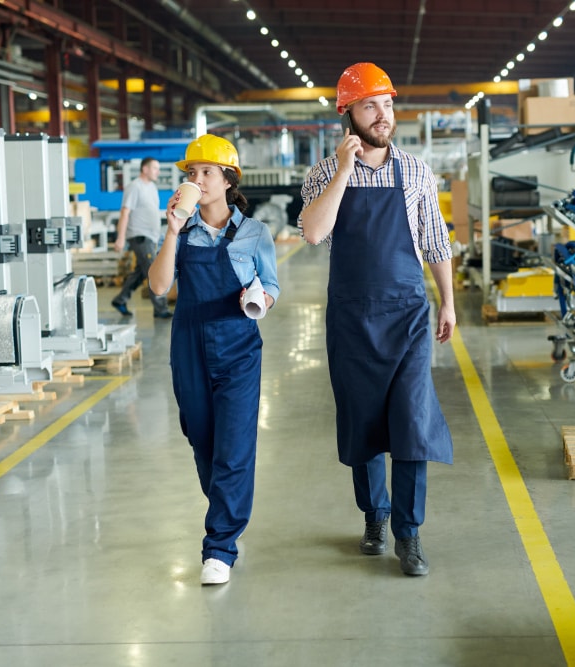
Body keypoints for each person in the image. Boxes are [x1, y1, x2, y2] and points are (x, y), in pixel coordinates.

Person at [298, 62, 455, 577]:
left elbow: (434, 241)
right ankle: (375, 516)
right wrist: (344, 170)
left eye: (386, 104)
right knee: (363, 424)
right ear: (349, 114)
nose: (382, 114)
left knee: (413, 423)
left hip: (408, 313)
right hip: (351, 316)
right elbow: (315, 233)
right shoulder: (322, 174)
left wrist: (448, 301)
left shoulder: (416, 172)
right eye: (370, 105)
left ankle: (409, 534)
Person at [148, 135, 280, 586]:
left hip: (239, 346)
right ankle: (228, 510)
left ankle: (219, 546)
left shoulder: (254, 233)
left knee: (235, 448)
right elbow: (160, 287)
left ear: (227, 180)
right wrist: (170, 229)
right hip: (188, 346)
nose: (197, 180)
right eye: (191, 173)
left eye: (206, 172)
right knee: (202, 440)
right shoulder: (180, 232)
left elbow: (272, 286)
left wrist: (261, 296)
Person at [112, 156, 173, 319]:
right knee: (155, 270)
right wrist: (120, 238)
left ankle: (120, 299)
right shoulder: (134, 187)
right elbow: (125, 212)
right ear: (145, 169)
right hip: (140, 236)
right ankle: (161, 309)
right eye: (155, 168)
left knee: (140, 272)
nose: (158, 172)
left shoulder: (152, 187)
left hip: (151, 237)